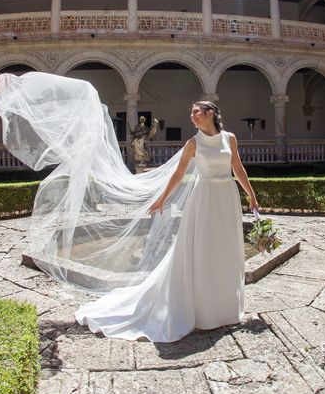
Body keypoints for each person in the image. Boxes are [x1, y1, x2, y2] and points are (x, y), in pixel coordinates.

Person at [74, 101, 259, 341]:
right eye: (191, 112)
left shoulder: (229, 138)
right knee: (203, 250)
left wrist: (251, 194)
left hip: (227, 198)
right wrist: (162, 199)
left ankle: (224, 308)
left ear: (210, 113)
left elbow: (238, 168)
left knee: (226, 250)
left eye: (196, 112)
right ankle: (204, 312)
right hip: (204, 199)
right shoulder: (193, 143)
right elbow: (179, 173)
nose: (192, 116)